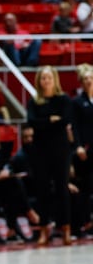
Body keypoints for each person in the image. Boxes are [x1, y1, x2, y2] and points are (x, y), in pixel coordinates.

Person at [27, 66, 73, 246]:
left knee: (62, 188)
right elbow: (32, 121)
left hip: (60, 149)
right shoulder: (34, 102)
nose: (45, 81)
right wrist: (49, 120)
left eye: (48, 78)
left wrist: (44, 123)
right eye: (42, 78)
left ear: (55, 80)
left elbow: (65, 120)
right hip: (40, 150)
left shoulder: (64, 100)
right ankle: (45, 228)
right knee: (42, 189)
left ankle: (66, 228)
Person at [71, 64, 93, 241]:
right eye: (85, 79)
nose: (89, 81)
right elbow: (74, 127)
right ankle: (81, 223)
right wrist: (77, 145)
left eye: (91, 78)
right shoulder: (77, 102)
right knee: (84, 187)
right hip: (85, 150)